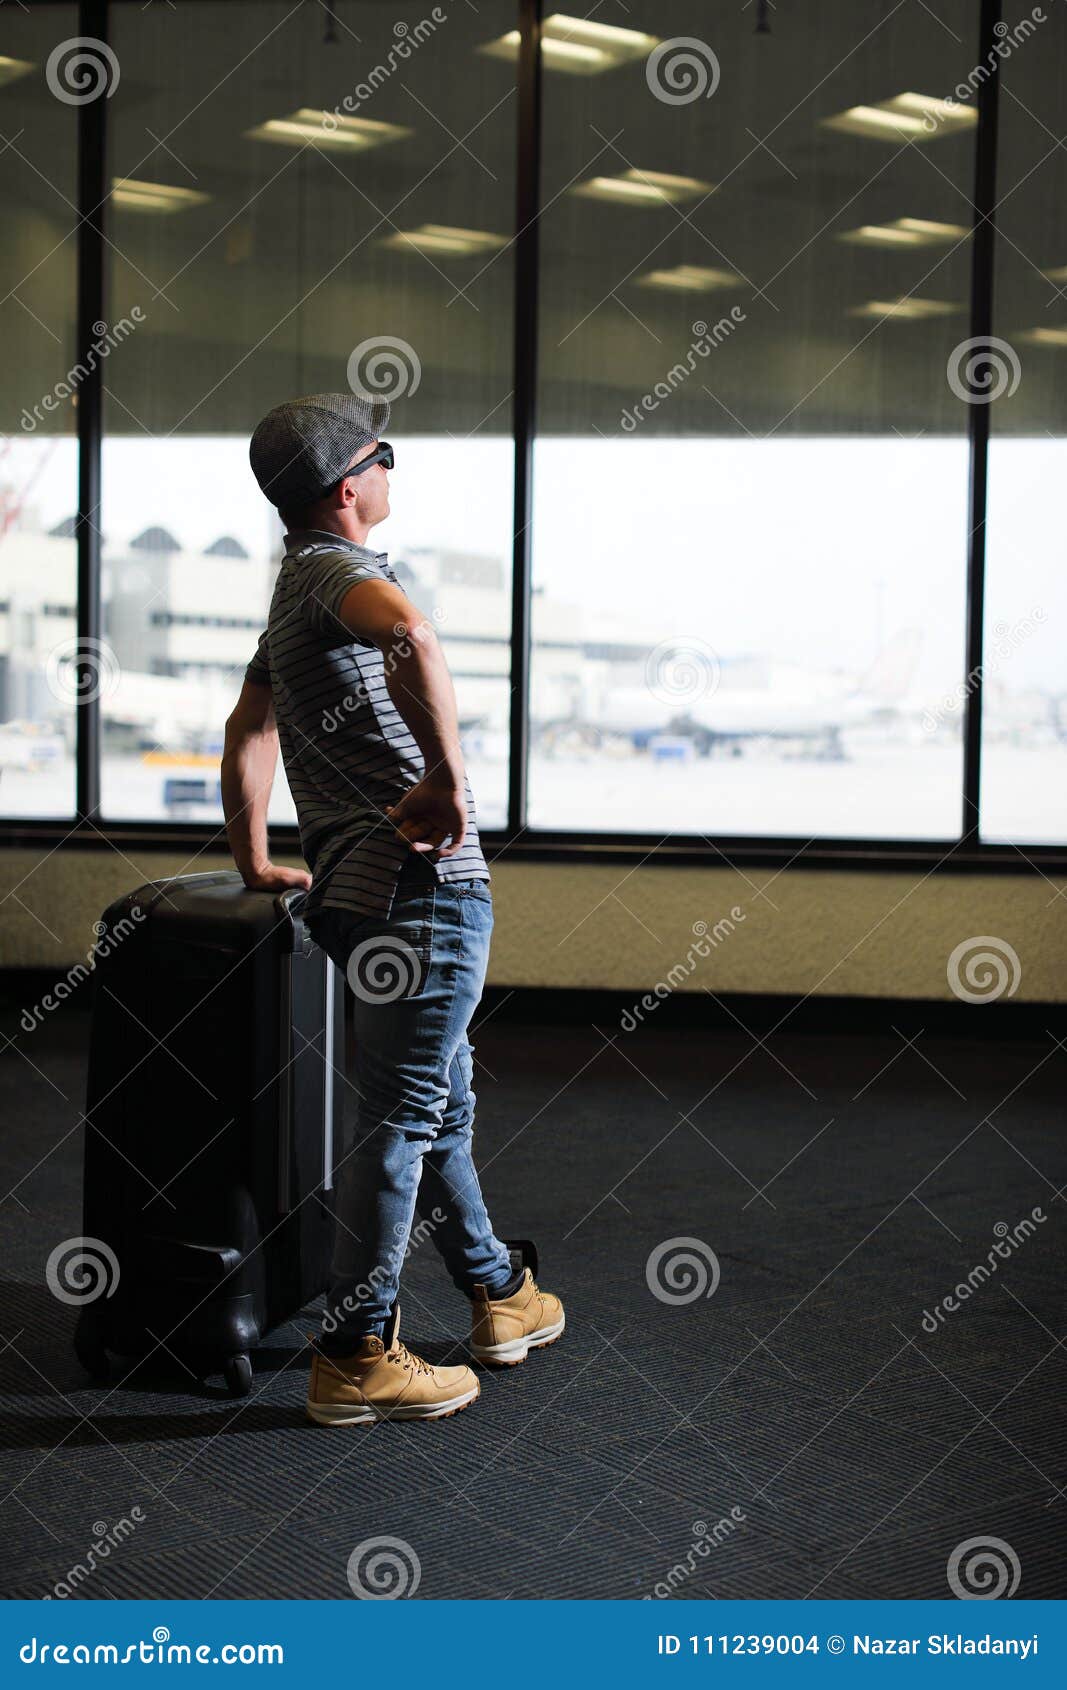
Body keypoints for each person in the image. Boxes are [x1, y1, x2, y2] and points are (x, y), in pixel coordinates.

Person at [221, 392, 564, 1426]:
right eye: (385, 456)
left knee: (433, 1103)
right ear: (347, 486)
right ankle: (358, 1351)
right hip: (421, 891)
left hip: (356, 898)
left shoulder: (293, 592)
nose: (392, 472)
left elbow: (247, 730)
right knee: (404, 1115)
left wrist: (255, 859)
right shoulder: (345, 574)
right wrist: (450, 784)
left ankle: (499, 1292)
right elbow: (413, 634)